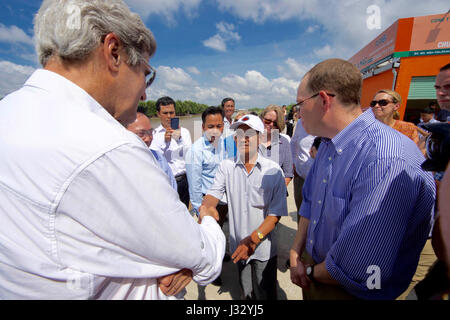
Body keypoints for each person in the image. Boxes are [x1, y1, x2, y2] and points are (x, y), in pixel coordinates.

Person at [0, 0, 225, 300]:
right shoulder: (108, 147)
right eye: (146, 73)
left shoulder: (8, 113)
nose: (145, 92)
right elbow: (202, 257)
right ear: (114, 52)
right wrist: (208, 217)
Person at [289, 58, 436, 300]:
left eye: (300, 104)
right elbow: (310, 201)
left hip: (350, 290)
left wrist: (306, 270)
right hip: (316, 274)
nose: (298, 112)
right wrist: (297, 249)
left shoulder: (385, 158)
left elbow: (359, 266)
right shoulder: (328, 142)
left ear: (324, 100)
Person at [201, 114, 288, 300]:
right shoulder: (226, 167)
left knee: (265, 293)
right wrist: (207, 209)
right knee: (245, 292)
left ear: (260, 137)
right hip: (239, 244)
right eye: (239, 134)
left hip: (263, 247)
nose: (244, 138)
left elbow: (275, 214)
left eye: (250, 133)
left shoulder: (273, 171)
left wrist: (254, 240)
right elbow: (212, 195)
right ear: (234, 139)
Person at [150, 96, 192, 208]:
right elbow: (155, 159)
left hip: (184, 180)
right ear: (158, 114)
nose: (169, 116)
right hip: (166, 182)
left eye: (171, 113)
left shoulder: (185, 132)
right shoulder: (153, 135)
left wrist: (179, 139)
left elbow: (190, 155)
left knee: (184, 213)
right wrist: (165, 142)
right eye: (165, 113)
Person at [126, 112, 177, 190]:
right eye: (141, 134)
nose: (148, 138)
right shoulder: (116, 161)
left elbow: (172, 186)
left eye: (150, 132)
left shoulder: (158, 157)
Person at [259, 105, 293, 186]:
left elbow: (288, 174)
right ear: (261, 118)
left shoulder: (284, 143)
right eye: (267, 121)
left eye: (275, 123)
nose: (270, 125)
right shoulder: (250, 140)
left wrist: (277, 192)